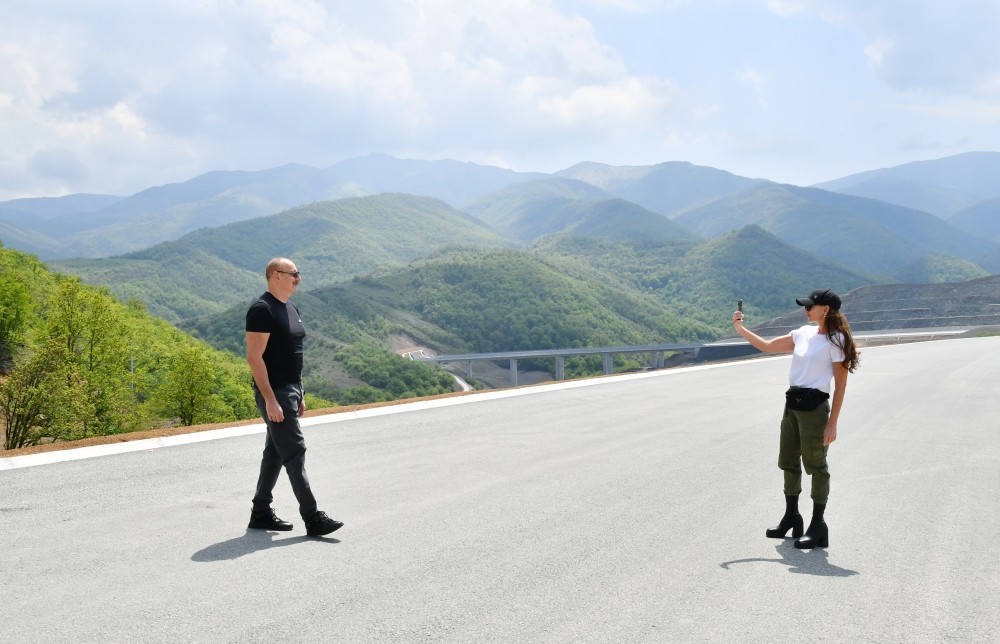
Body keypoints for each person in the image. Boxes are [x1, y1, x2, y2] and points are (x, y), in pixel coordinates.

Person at [732, 288, 860, 549]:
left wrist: (832, 423)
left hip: (815, 410)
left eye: (810, 306)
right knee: (788, 461)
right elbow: (766, 346)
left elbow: (841, 385)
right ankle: (792, 517)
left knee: (816, 466)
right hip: (792, 406)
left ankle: (817, 524)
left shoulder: (837, 340)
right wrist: (740, 328)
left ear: (825, 309)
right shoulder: (802, 333)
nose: (805, 309)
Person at [245, 257, 343, 537]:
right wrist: (270, 400)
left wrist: (299, 392)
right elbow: (254, 358)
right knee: (295, 451)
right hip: (273, 392)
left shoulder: (290, 308)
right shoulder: (261, 310)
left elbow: (292, 354)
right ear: (276, 275)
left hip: (289, 391)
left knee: (275, 452)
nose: (299, 278)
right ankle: (312, 517)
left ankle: (260, 512)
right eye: (294, 274)